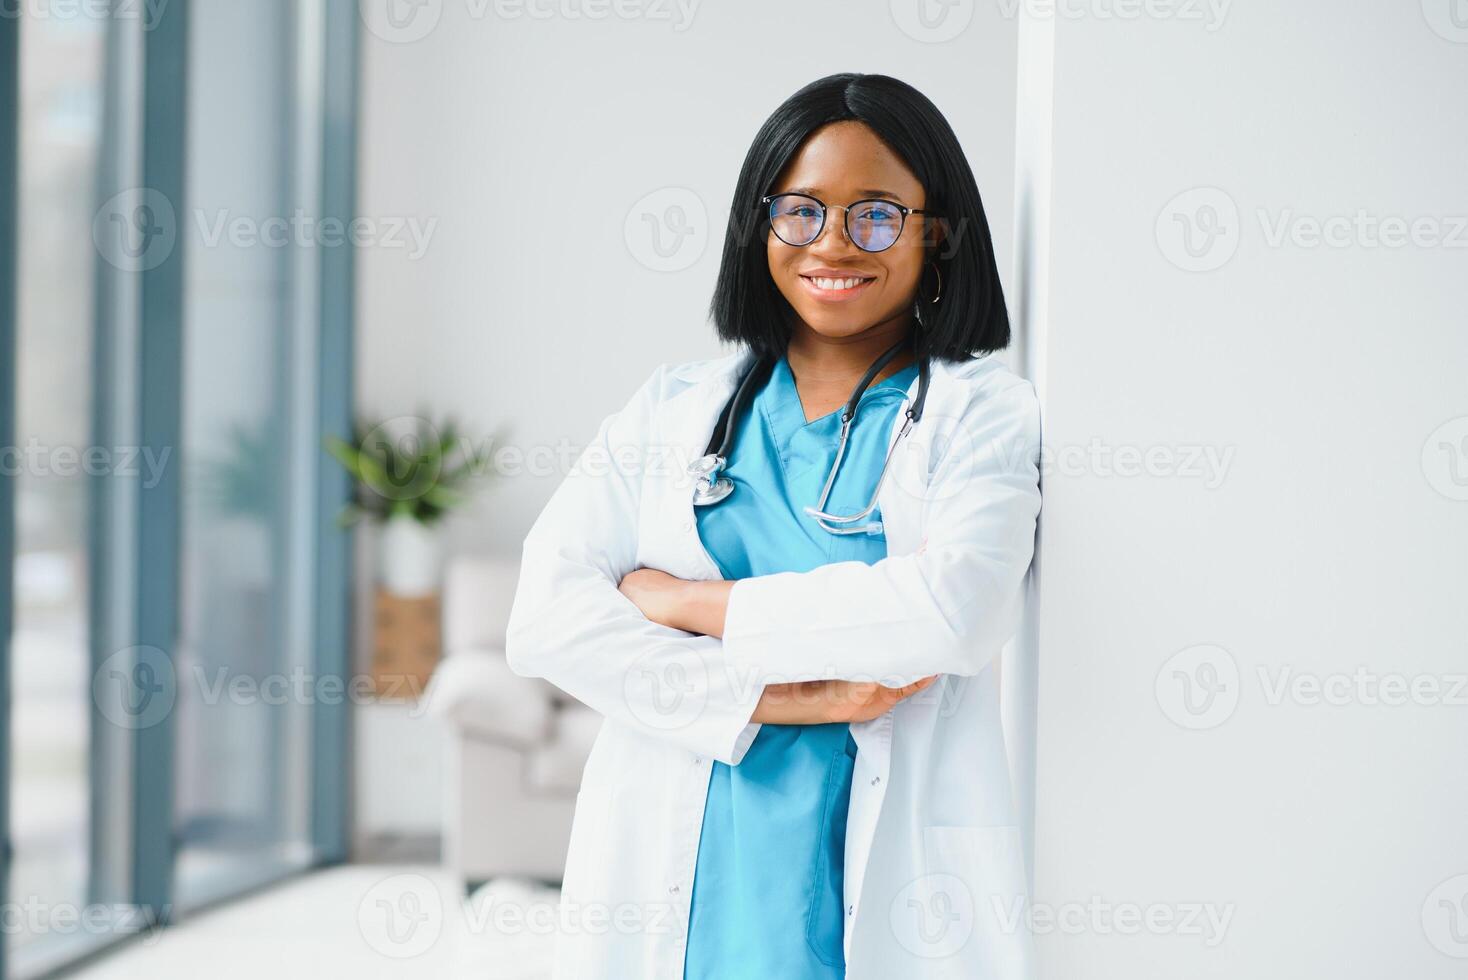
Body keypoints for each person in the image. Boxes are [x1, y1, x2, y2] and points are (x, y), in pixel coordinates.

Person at [506, 72, 1041, 980]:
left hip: (885, 851)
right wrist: (783, 696)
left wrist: (690, 602)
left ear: (936, 231)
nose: (833, 242)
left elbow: (954, 613)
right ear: (762, 226)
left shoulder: (979, 413)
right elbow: (546, 619)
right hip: (686, 832)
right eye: (800, 211)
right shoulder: (671, 410)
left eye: (876, 213)